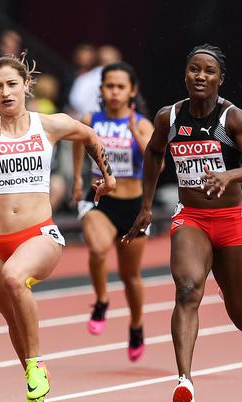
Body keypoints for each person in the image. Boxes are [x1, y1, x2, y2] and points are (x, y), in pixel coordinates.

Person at [0, 52, 116, 402]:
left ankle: (36, 365)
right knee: (14, 320)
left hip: (39, 235)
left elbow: (90, 134)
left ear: (26, 86)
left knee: (16, 279)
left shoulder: (49, 125)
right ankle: (35, 386)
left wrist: (107, 177)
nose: (6, 92)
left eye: (12, 84)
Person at [122, 44, 242, 402]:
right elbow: (155, 152)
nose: (200, 76)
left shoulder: (232, 119)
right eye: (193, 69)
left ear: (220, 78)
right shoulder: (169, 118)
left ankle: (223, 278)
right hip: (191, 217)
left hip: (232, 220)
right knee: (187, 289)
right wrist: (145, 207)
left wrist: (229, 175)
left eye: (208, 71)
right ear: (185, 74)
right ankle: (184, 378)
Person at [71, 62, 153, 362]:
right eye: (109, 86)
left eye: (121, 87)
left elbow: (159, 163)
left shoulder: (142, 123)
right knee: (97, 248)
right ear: (101, 89)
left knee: (131, 276)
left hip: (134, 206)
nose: (115, 92)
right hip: (100, 202)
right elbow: (79, 143)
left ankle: (136, 325)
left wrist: (136, 134)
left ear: (132, 90)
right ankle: (102, 299)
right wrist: (79, 179)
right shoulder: (91, 118)